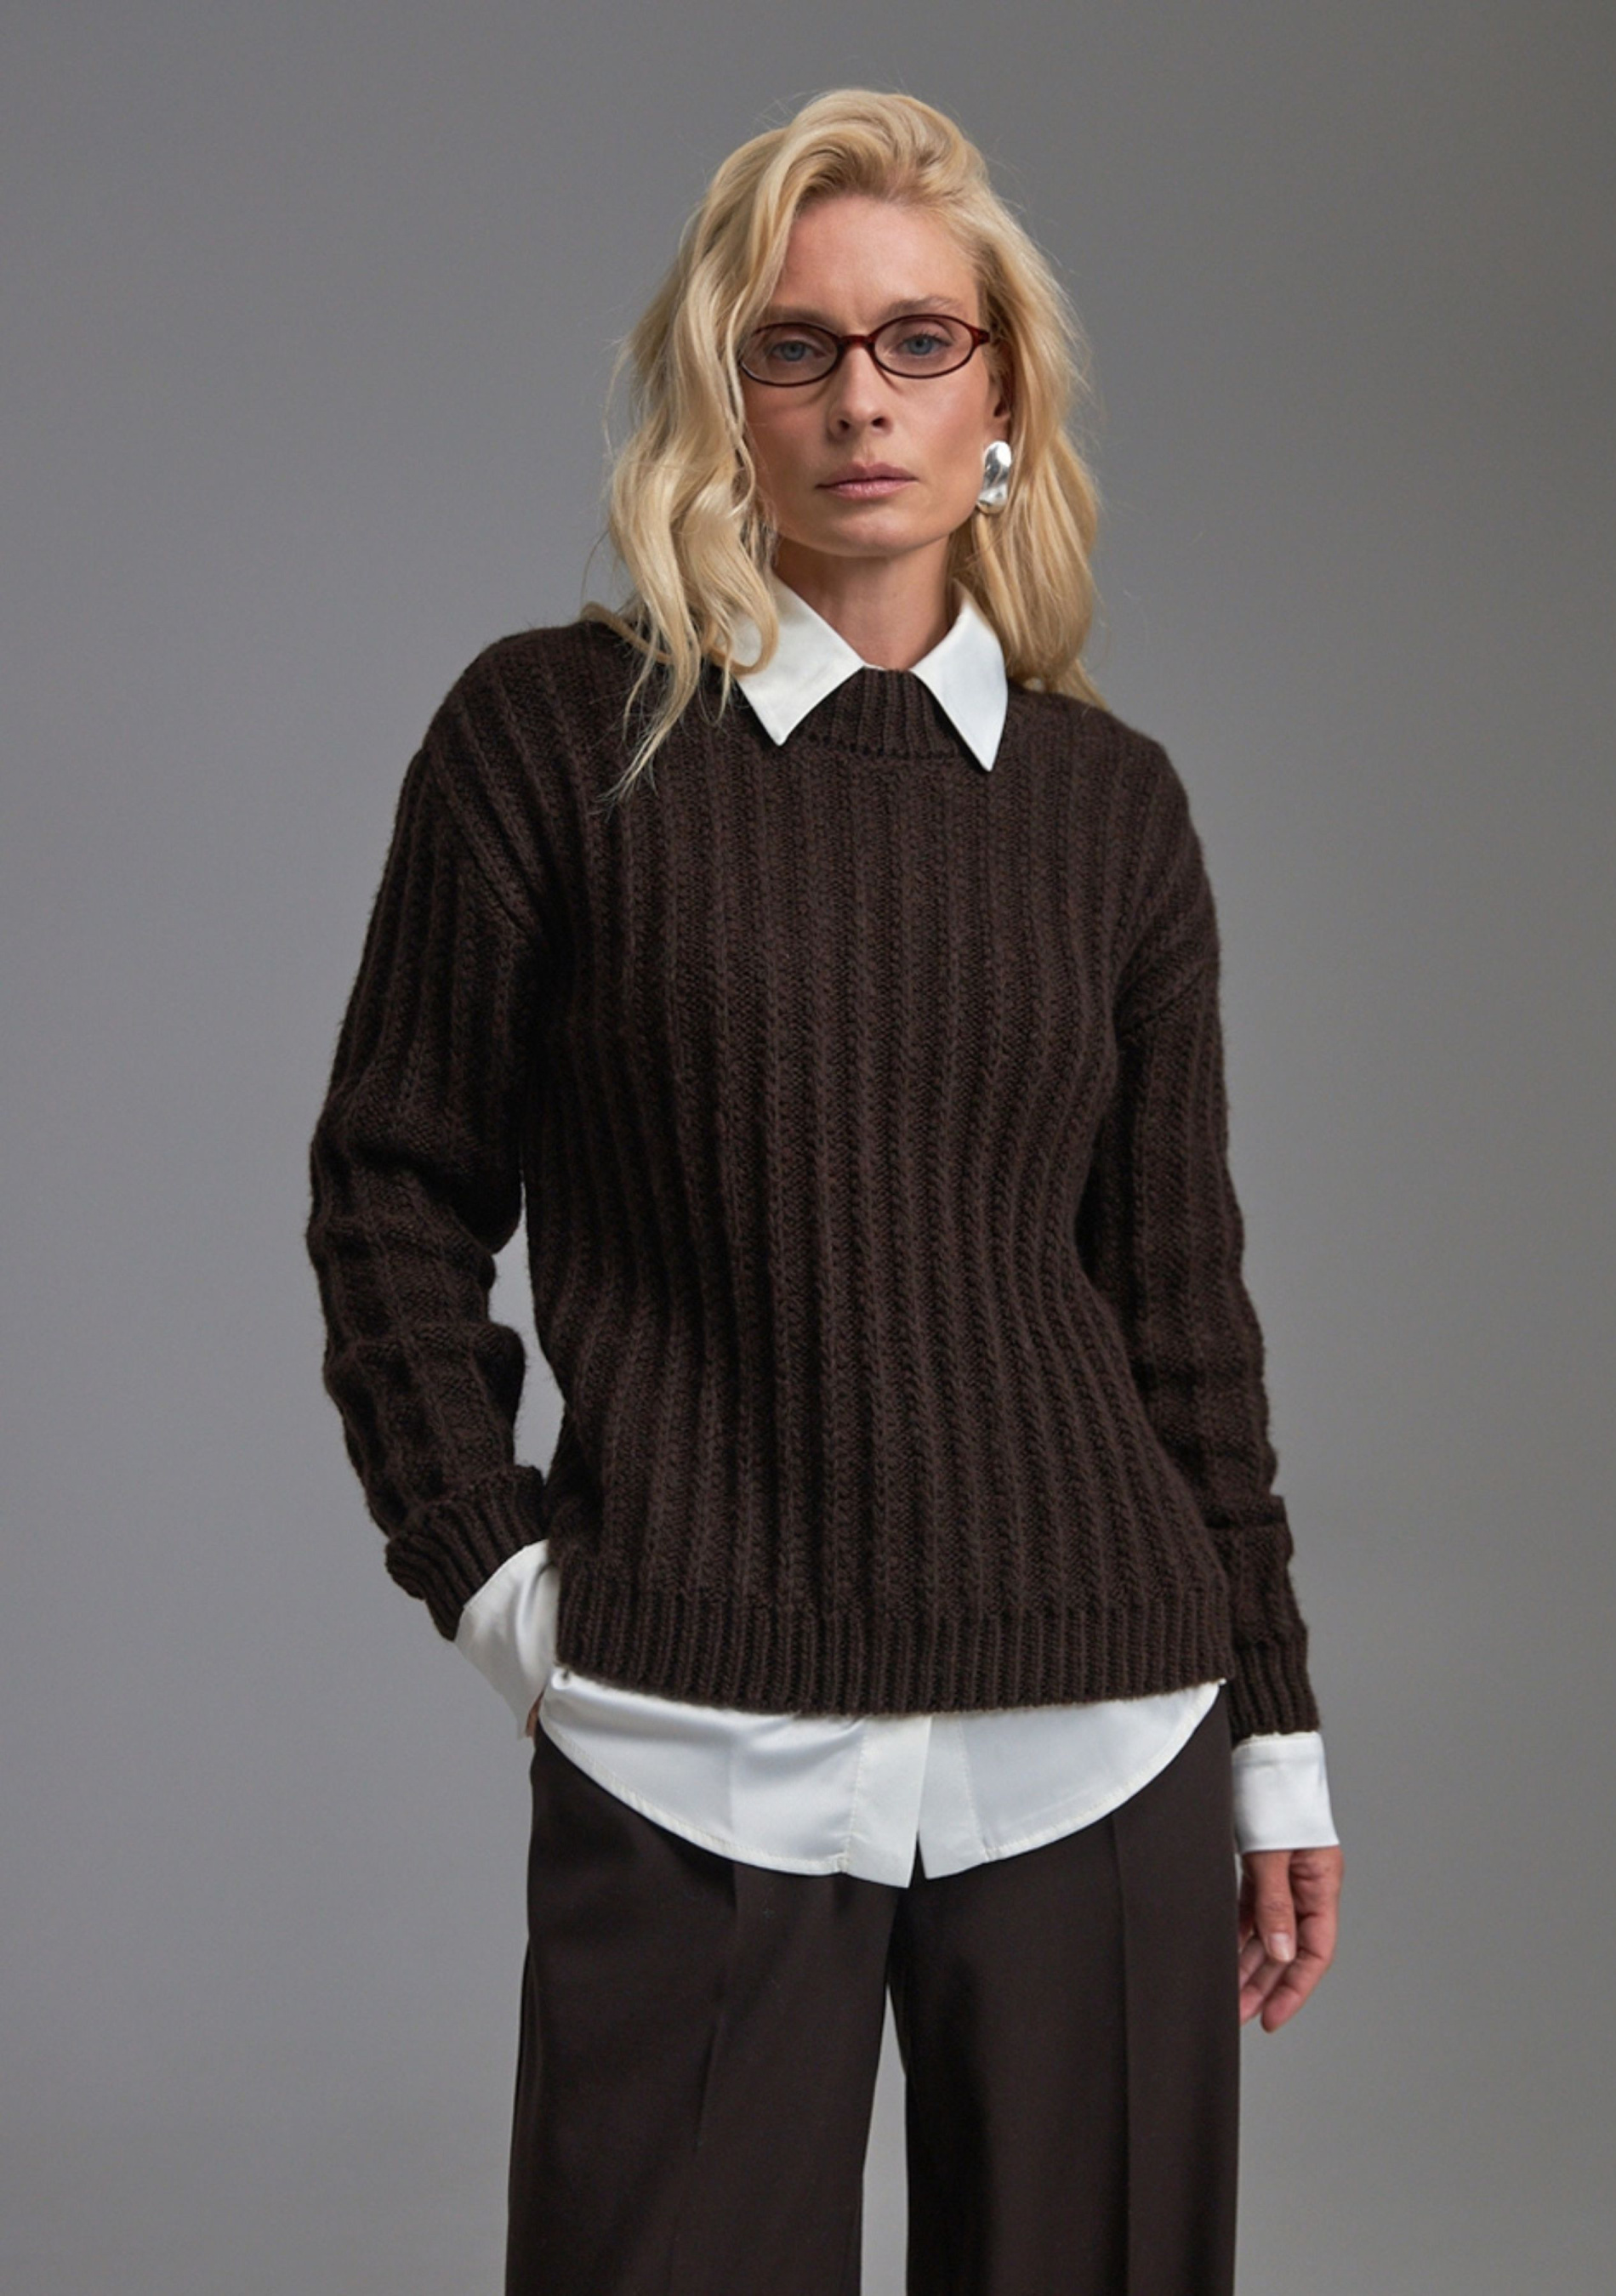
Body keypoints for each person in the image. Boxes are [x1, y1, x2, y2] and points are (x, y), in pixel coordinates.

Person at [304, 85, 1343, 2296]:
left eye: (917, 341)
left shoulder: (1112, 811)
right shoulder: (549, 741)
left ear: (1001, 400)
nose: (861, 397)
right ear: (727, 397)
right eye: (797, 346)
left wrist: (1273, 1734)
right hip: (692, 1725)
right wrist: (496, 1582)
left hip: (1102, 1722)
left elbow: (1178, 1308)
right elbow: (391, 1187)